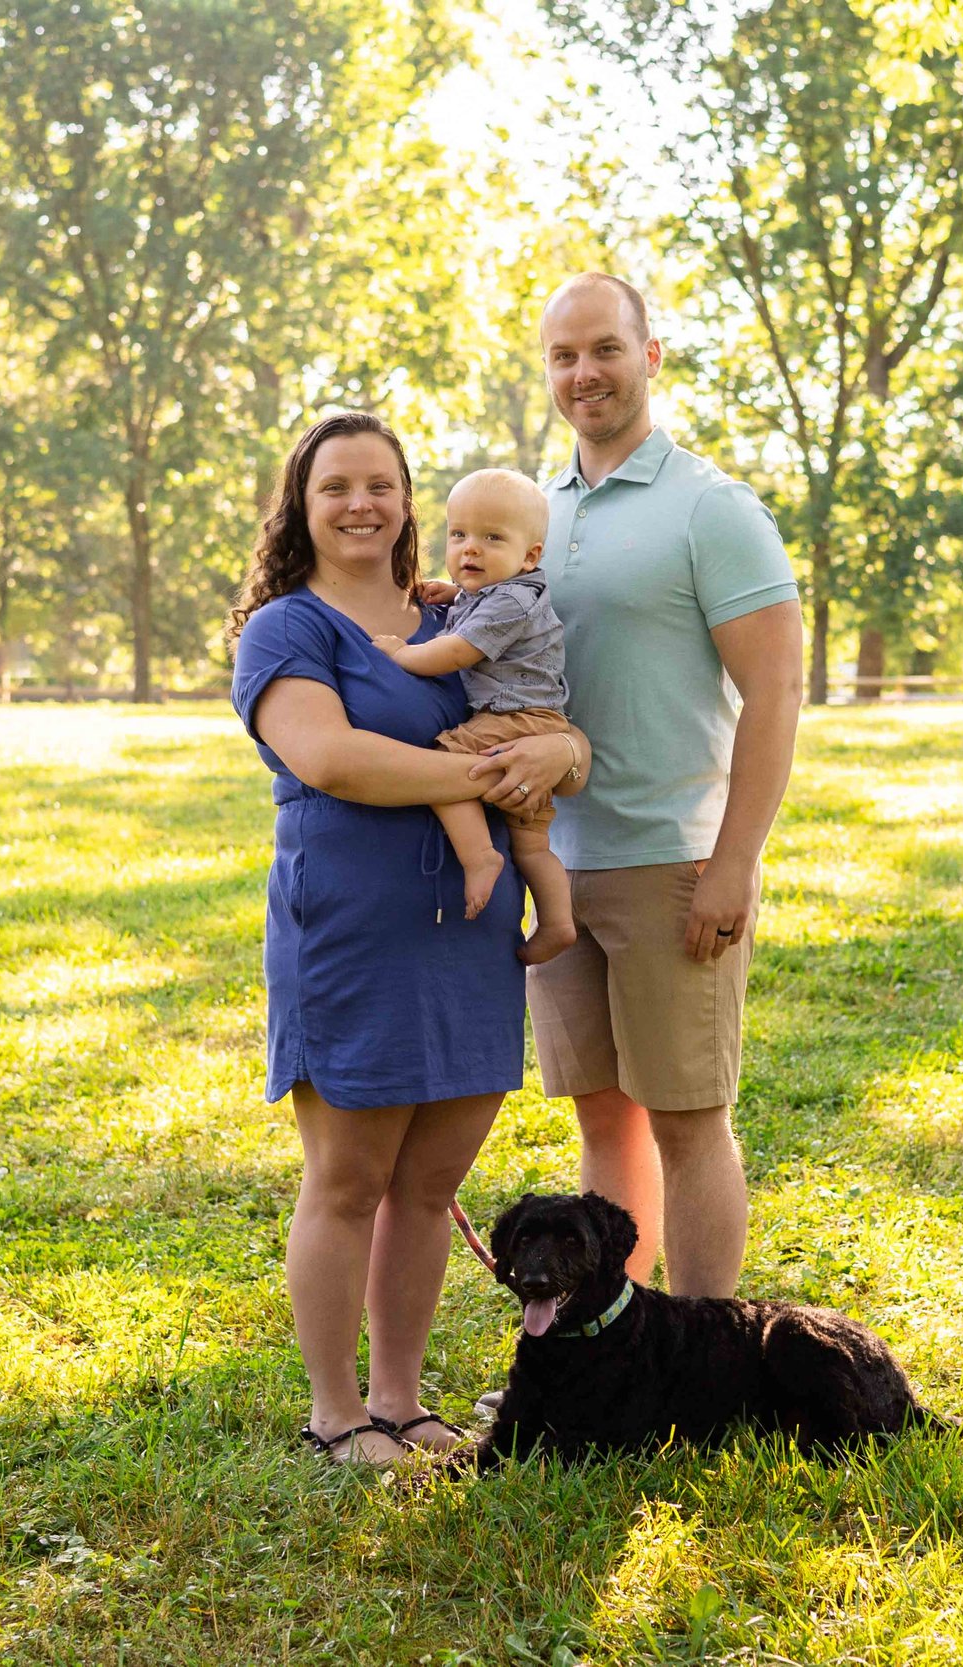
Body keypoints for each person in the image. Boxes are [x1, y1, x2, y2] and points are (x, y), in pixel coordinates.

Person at [226, 411, 589, 1466]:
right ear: (300, 504)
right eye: (335, 484)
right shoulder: (285, 629)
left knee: (428, 1186)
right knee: (346, 1181)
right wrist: (498, 773)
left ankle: (401, 1398)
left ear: (406, 502)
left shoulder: (459, 609)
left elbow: (553, 724)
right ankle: (337, 1413)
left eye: (380, 483)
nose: (360, 502)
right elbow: (335, 758)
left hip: (471, 933)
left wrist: (559, 747)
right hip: (354, 929)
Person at [524, 272, 803, 1302]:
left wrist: (734, 860)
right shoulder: (534, 513)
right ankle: (622, 1336)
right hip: (557, 867)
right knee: (603, 1117)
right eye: (563, 356)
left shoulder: (711, 508)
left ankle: (704, 1350)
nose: (583, 372)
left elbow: (775, 689)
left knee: (688, 1119)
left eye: (603, 348)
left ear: (651, 354)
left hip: (674, 862)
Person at [371, 468, 583, 966]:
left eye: (492, 538)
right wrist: (453, 593)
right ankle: (557, 922)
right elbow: (474, 608)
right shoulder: (497, 591)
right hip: (535, 722)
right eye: (459, 534)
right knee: (532, 845)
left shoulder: (511, 599)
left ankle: (479, 855)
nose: (471, 549)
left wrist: (403, 654)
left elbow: (459, 651)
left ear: (530, 555)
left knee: (447, 761)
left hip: (515, 719)